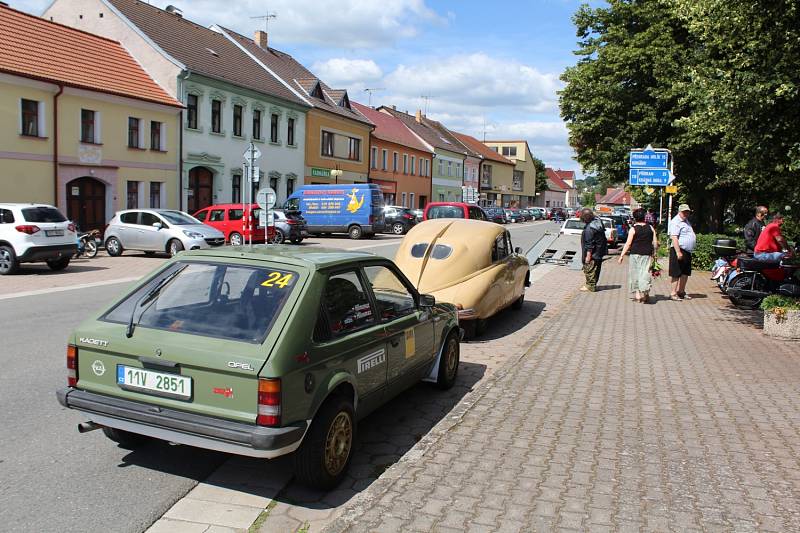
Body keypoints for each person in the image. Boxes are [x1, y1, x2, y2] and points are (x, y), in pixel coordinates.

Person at [618, 208, 659, 303]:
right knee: (645, 273)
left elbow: (628, 244)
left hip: (635, 253)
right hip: (647, 254)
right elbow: (655, 242)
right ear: (644, 217)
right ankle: (645, 294)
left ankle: (637, 295)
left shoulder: (633, 229)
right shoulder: (650, 228)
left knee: (635, 273)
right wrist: (655, 254)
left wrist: (621, 255)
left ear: (635, 218)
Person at [668, 204, 697, 301]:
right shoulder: (676, 222)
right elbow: (674, 237)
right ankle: (673, 293)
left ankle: (681, 291)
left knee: (685, 272)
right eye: (684, 212)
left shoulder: (686, 221)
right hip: (679, 250)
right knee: (676, 272)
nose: (686, 213)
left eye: (687, 212)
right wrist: (678, 252)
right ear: (679, 212)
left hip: (687, 251)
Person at [580, 208, 608, 292]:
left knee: (589, 268)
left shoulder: (589, 229)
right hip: (599, 251)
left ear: (584, 218)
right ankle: (593, 284)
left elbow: (589, 244)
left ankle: (590, 286)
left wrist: (588, 256)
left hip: (593, 253)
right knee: (597, 269)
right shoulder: (598, 222)